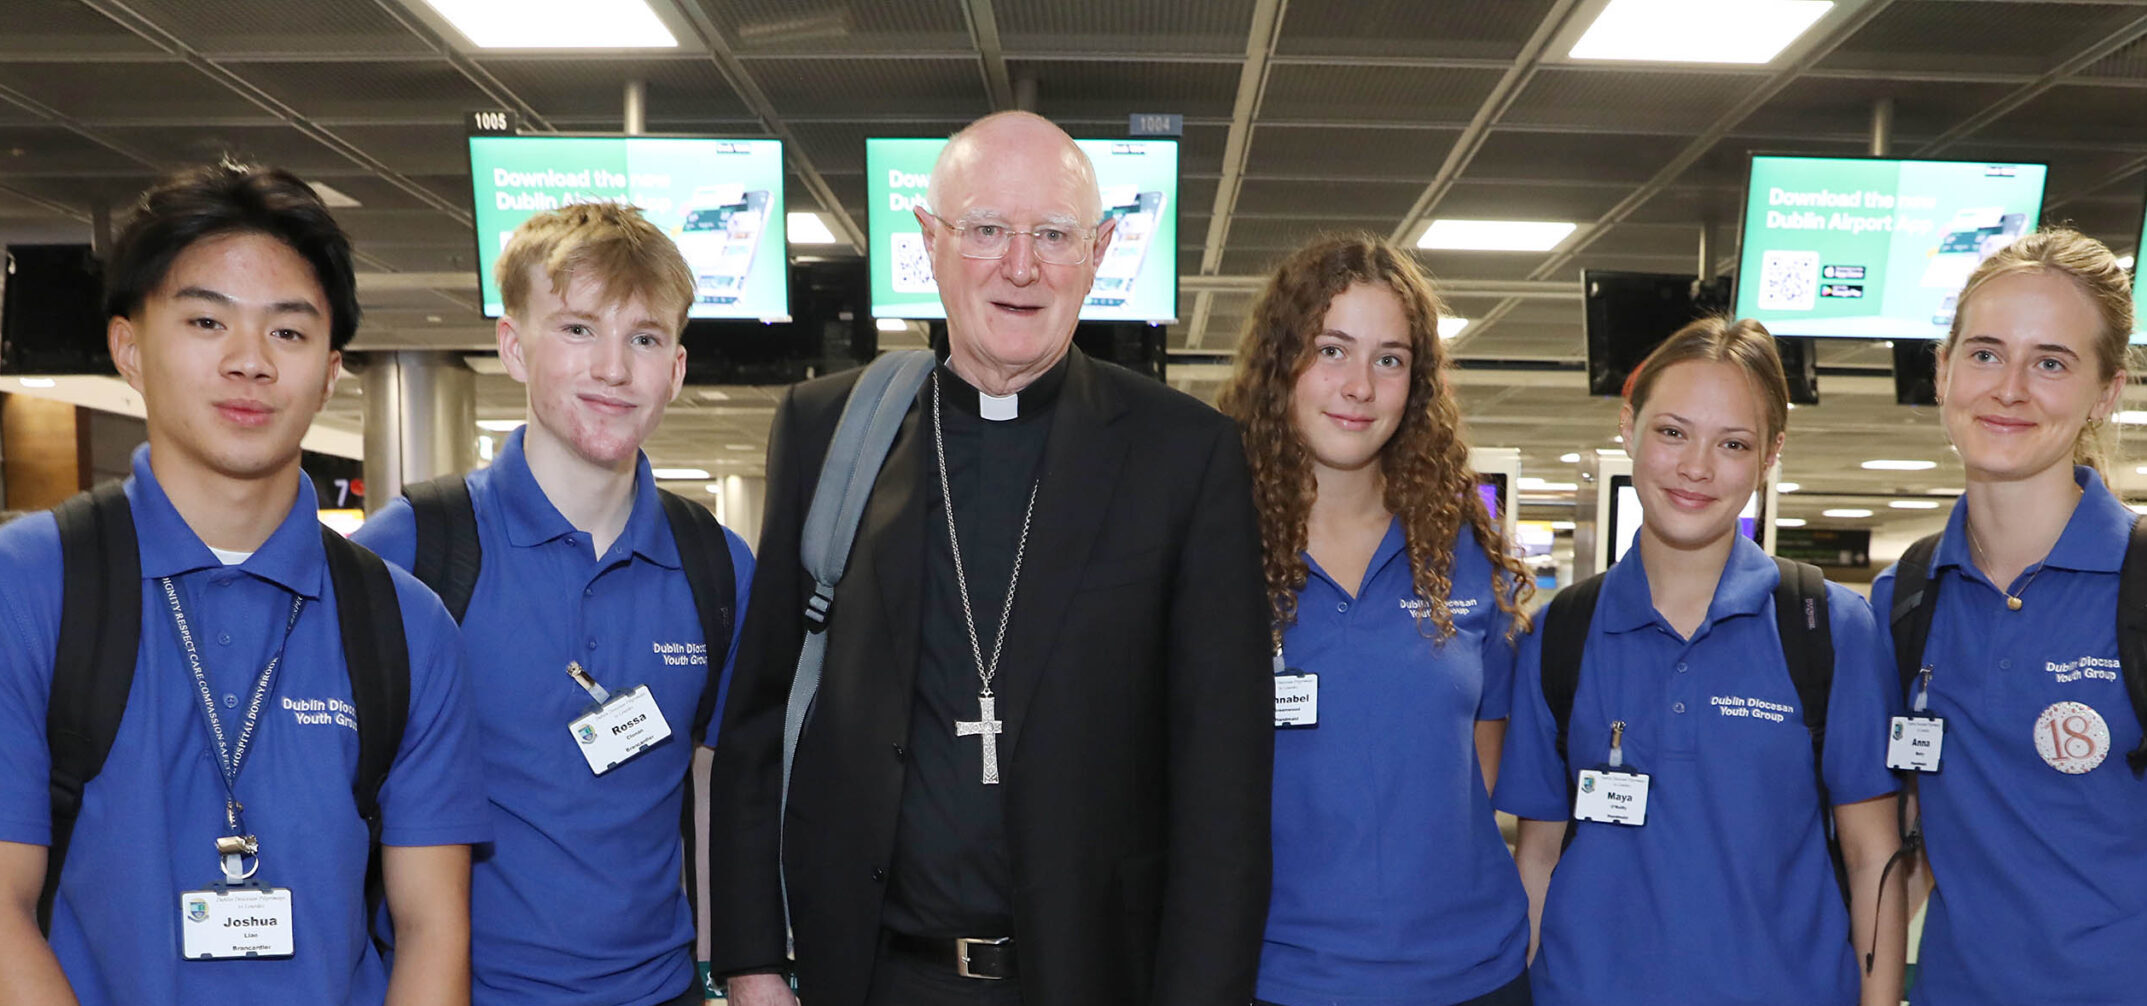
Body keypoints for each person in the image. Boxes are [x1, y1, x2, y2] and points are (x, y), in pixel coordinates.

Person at [708, 110, 1272, 1006]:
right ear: (928, 243)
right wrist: (749, 963)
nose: (1021, 266)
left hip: (1095, 980)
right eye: (985, 230)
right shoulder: (828, 431)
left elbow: (1224, 787)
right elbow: (760, 720)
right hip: (872, 976)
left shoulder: (1184, 456)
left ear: (1101, 251)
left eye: (1053, 234)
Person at [0, 163, 489, 1004]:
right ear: (129, 348)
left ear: (332, 369)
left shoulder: (403, 625)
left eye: (289, 333)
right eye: (205, 321)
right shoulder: (33, 587)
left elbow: (431, 927)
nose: (249, 362)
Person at [354, 202, 754, 1006]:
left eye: (643, 338)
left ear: (674, 370)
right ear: (513, 347)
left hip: (661, 992)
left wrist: (731, 970)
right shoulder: (411, 551)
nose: (613, 369)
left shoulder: (716, 565)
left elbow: (717, 790)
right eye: (577, 330)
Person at [1495, 317, 1907, 1005]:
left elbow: (1872, 858)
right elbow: (1538, 857)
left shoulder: (1827, 629)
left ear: (1770, 453)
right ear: (1628, 427)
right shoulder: (1560, 633)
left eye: (1732, 443)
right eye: (1671, 432)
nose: (1695, 467)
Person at [1217, 234, 1537, 1006]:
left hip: (1470, 976)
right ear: (1279, 364)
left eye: (1388, 359)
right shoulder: (1214, 549)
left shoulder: (1460, 555)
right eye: (1331, 350)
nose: (1358, 385)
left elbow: (1478, 761)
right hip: (1280, 978)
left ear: (1415, 382)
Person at [1868, 229, 2145, 1005]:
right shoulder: (1906, 600)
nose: (2009, 388)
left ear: (2104, 392)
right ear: (1942, 371)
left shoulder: (2139, 586)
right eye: (1985, 353)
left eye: (2049, 362)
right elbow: (1900, 847)